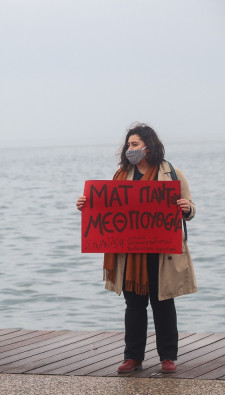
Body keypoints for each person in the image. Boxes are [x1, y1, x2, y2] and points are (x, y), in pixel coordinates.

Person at [76, 123, 197, 374]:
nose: (130, 149)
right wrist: (86, 205)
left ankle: (168, 357)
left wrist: (187, 209)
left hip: (162, 252)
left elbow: (190, 208)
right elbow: (108, 208)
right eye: (128, 145)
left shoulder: (172, 173)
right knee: (134, 306)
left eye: (134, 145)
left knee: (163, 303)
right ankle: (132, 357)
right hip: (130, 254)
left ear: (148, 146)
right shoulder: (122, 175)